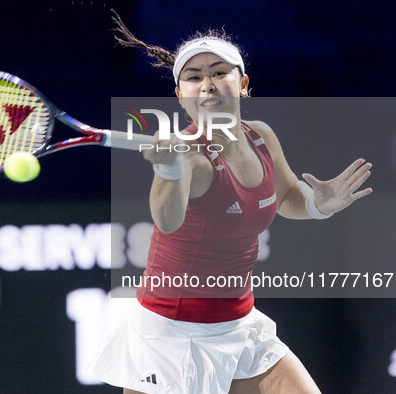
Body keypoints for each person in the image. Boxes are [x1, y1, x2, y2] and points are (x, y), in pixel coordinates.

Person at [88, 13, 373, 394]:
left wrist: (320, 204)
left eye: (219, 72)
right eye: (193, 77)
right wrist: (170, 171)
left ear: (243, 84)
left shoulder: (261, 137)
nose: (207, 85)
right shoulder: (190, 156)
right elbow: (167, 220)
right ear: (180, 95)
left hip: (239, 325)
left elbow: (286, 195)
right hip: (172, 335)